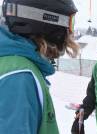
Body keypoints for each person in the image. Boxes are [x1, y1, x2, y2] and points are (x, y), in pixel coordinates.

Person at [0, 0, 79, 133]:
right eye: (70, 23)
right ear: (48, 21)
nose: (70, 32)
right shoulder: (19, 77)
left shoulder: (11, 64)